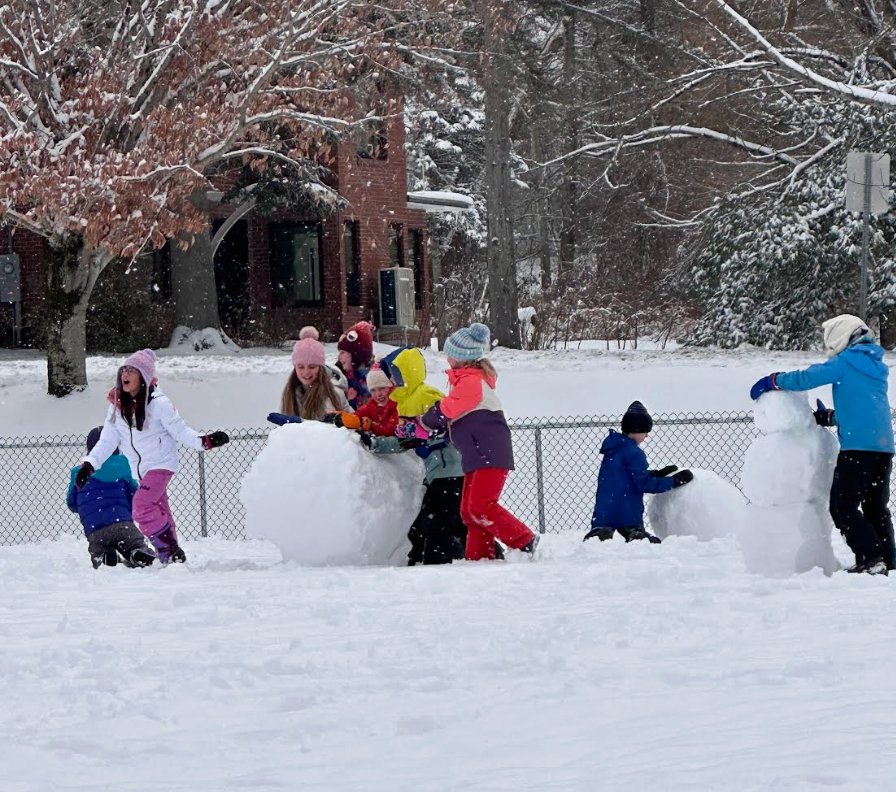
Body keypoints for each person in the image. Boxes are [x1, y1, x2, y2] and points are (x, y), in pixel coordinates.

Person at [750, 314, 895, 575]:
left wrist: (775, 380)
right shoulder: (875, 366)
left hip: (857, 449)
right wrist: (831, 417)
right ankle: (888, 558)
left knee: (842, 506)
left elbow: (808, 378)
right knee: (875, 506)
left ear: (841, 336)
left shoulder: (846, 362)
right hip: (882, 448)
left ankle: (872, 558)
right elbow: (866, 410)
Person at [73, 349, 230, 564]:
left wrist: (205, 441)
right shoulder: (117, 407)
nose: (125, 375)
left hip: (161, 464)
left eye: (131, 371)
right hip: (142, 470)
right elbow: (107, 441)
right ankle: (170, 558)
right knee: (160, 510)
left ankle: (169, 548)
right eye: (123, 371)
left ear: (144, 377)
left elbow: (181, 431)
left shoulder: (159, 404)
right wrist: (89, 466)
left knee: (142, 507)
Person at [421, 324, 539, 560]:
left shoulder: (471, 382)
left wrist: (427, 420)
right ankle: (480, 557)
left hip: (489, 452)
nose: (447, 358)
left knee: (481, 506)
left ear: (462, 357)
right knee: (469, 511)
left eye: (450, 353)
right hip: (476, 453)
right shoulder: (465, 380)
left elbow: (448, 409)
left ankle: (524, 539)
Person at [584, 401, 693, 543]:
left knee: (604, 527)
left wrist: (656, 474)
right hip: (627, 510)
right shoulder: (635, 453)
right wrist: (674, 481)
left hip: (605, 508)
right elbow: (643, 484)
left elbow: (628, 476)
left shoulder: (613, 449)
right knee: (637, 536)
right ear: (636, 430)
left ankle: (600, 532)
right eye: (645, 432)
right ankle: (635, 534)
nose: (646, 436)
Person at [67, 427, 156, 569]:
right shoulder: (124, 467)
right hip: (122, 523)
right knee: (134, 543)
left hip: (95, 529)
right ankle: (137, 552)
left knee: (98, 549)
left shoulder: (79, 472)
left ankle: (103, 557)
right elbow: (135, 495)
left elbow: (71, 503)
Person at [273, 333, 352, 423]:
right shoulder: (291, 391)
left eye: (312, 367)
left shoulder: (332, 393)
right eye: (301, 367)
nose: (306, 372)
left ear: (320, 367)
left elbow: (326, 431)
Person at [328, 365, 399, 437]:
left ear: (391, 387)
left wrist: (370, 425)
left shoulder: (399, 405)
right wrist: (344, 417)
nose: (378, 394)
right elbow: (357, 415)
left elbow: (391, 430)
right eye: (373, 390)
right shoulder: (372, 404)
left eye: (382, 388)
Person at [336, 321, 375, 409]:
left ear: (356, 355)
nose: (339, 357)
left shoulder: (371, 379)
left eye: (343, 352)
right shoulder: (340, 374)